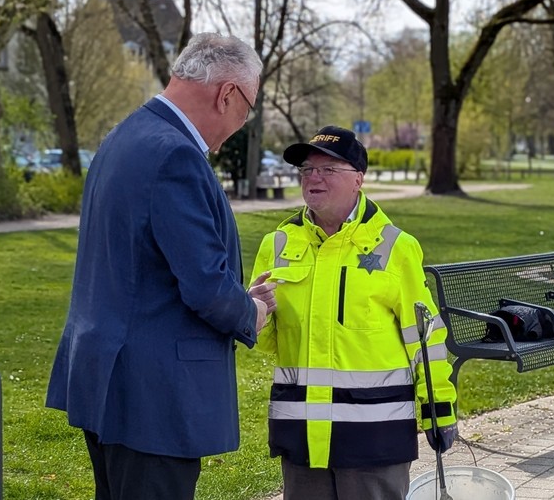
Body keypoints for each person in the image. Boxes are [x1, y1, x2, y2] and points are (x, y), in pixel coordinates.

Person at [46, 32, 276, 500]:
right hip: (153, 396)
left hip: (108, 377)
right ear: (227, 94)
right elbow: (205, 284)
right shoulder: (175, 155)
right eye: (246, 109)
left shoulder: (123, 136)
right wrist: (249, 311)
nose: (240, 124)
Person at [250, 125, 458, 500]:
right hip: (301, 436)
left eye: (329, 170)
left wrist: (439, 410)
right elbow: (265, 341)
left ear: (358, 180)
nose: (314, 178)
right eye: (307, 170)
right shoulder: (277, 244)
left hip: (374, 438)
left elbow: (425, 338)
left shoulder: (395, 247)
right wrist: (253, 311)